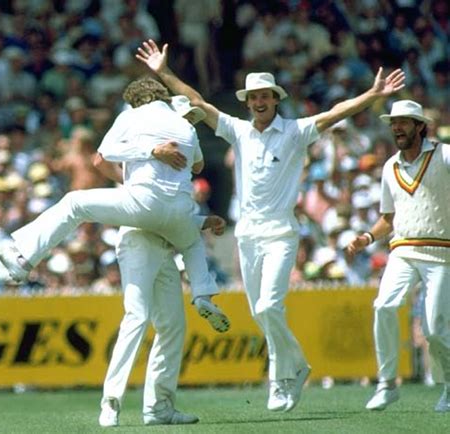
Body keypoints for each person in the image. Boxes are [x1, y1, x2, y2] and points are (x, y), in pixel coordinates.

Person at [136, 38, 406, 412]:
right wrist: (163, 72)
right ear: (247, 102)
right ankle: (297, 366)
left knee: (269, 307)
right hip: (247, 235)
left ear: (275, 99)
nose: (259, 102)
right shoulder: (238, 131)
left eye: (265, 96)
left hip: (280, 233)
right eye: (253, 97)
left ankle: (282, 380)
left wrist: (373, 94)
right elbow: (198, 102)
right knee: (261, 312)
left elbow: (335, 114)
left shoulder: (295, 131)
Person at [0, 79, 229, 333]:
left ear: (136, 101)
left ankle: (24, 259)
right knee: (191, 242)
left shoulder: (132, 116)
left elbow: (103, 156)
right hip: (181, 212)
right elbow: (198, 166)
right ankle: (203, 294)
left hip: (144, 204)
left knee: (74, 202)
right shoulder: (186, 127)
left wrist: (152, 150)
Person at [95, 145, 225, 427]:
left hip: (165, 246)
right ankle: (111, 402)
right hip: (139, 242)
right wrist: (132, 182)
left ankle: (159, 408)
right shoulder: (147, 139)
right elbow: (100, 160)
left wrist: (204, 220)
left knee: (173, 326)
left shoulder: (180, 159)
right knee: (137, 316)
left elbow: (171, 217)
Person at [346, 100, 450, 412]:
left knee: (434, 328)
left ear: (420, 126)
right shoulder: (390, 166)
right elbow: (388, 218)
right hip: (403, 250)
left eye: (404, 122)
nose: (397, 127)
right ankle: (387, 383)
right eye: (394, 122)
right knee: (383, 306)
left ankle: (448, 387)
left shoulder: (443, 154)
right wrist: (367, 237)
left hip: (442, 252)